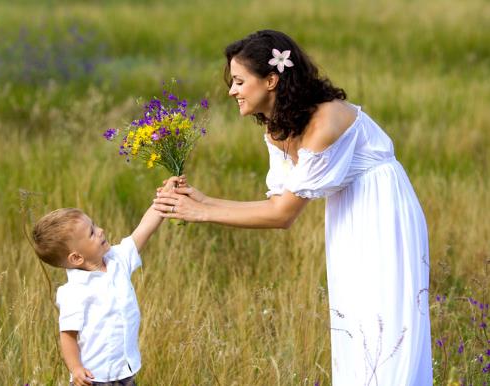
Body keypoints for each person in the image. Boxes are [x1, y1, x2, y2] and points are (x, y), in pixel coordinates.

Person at [154, 30, 432, 385]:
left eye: (239, 81)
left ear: (271, 79)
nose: (231, 91)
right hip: (347, 216)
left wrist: (201, 213)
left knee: (386, 320)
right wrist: (199, 199)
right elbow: (276, 201)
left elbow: (283, 215)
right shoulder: (278, 130)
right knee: (356, 319)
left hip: (383, 213)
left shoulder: (323, 123)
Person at [32, 177, 179, 386]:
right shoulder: (74, 292)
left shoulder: (117, 259)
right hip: (95, 377)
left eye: (94, 225)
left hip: (125, 370)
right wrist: (76, 369)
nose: (100, 230)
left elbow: (144, 229)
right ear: (76, 258)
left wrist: (165, 196)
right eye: (92, 233)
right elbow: (68, 335)